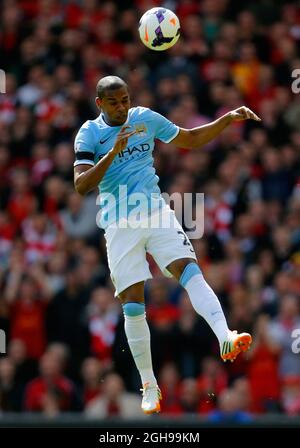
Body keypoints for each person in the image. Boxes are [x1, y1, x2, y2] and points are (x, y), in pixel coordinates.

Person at [73, 75, 260, 415]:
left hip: (156, 212)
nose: (122, 106)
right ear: (100, 103)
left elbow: (188, 139)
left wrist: (227, 120)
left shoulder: (145, 118)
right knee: (133, 303)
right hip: (119, 224)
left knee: (190, 270)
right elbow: (81, 184)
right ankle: (149, 383)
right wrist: (113, 152)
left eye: (126, 99)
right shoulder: (89, 134)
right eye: (114, 102)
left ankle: (225, 336)